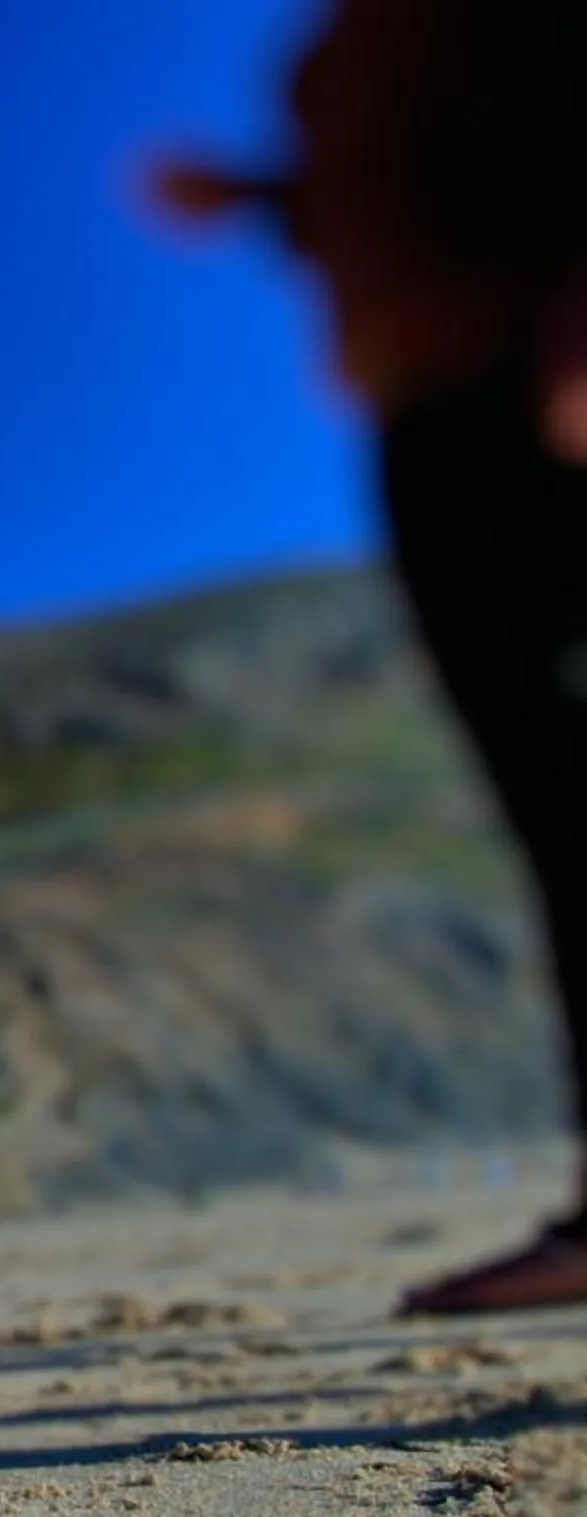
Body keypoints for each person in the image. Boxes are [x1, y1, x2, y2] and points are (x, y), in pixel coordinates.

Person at [156, 0, 587, 1315]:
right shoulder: (335, 56)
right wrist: (258, 196)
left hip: (537, 387)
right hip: (431, 411)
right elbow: (408, 184)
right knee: (553, 803)